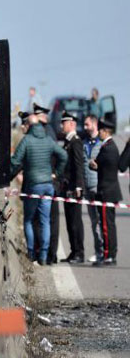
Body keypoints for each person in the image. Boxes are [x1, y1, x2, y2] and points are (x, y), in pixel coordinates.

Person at [11, 116, 67, 265]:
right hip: (48, 185)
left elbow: (15, 161)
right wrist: (56, 173)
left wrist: (7, 175)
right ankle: (43, 255)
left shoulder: (27, 140)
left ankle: (31, 253)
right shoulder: (48, 139)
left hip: (33, 185)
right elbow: (63, 155)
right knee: (45, 221)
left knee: (29, 220)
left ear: (28, 125)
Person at [89, 118, 122, 266]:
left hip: (107, 192)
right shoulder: (108, 146)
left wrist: (94, 164)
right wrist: (96, 165)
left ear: (105, 131)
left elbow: (99, 164)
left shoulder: (108, 148)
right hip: (108, 191)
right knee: (108, 224)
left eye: (100, 131)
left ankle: (109, 255)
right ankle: (109, 254)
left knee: (106, 226)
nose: (99, 133)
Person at [32, 102, 60, 264]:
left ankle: (50, 254)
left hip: (48, 182)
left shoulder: (47, 132)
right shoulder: (47, 131)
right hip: (47, 180)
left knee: (49, 220)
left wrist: (53, 174)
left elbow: (56, 156)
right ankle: (49, 254)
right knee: (47, 219)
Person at [59, 111, 85, 264]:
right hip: (67, 187)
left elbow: (79, 165)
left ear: (71, 124)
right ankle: (73, 251)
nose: (61, 125)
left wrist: (79, 186)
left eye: (64, 123)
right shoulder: (68, 141)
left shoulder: (76, 142)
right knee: (69, 221)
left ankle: (79, 253)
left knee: (75, 221)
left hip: (74, 188)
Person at [83, 114, 103, 263]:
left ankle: (103, 251)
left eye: (87, 124)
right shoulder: (84, 143)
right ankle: (98, 251)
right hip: (87, 187)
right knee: (93, 221)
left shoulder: (102, 144)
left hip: (98, 187)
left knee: (100, 222)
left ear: (94, 125)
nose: (84, 127)